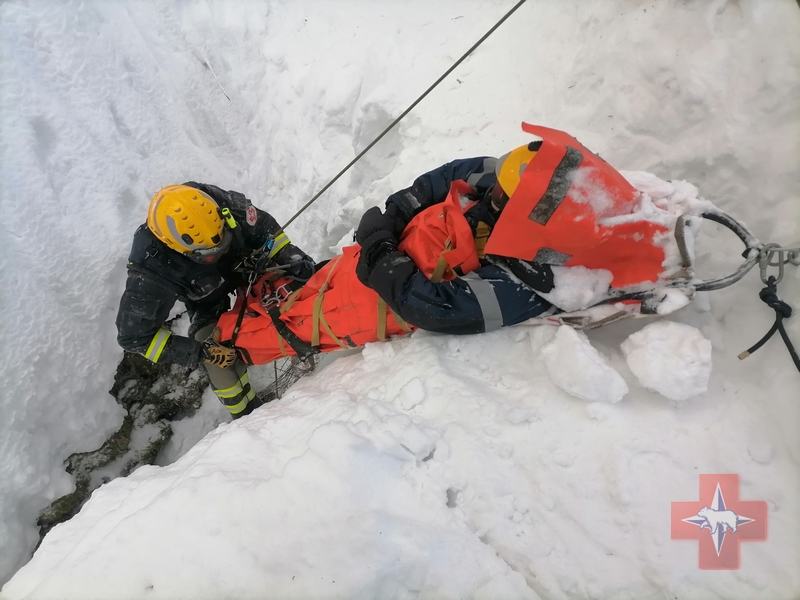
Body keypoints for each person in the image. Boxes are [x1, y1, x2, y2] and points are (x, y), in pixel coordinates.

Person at [116, 183, 315, 419]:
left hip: (249, 265)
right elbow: (133, 336)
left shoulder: (220, 204)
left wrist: (289, 257)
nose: (218, 251)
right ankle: (248, 417)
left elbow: (264, 228)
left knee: (301, 286)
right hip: (206, 299)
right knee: (221, 362)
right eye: (211, 253)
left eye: (223, 241)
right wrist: (201, 352)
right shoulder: (151, 267)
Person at [354, 142, 555, 335]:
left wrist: (380, 255)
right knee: (329, 275)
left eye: (501, 193)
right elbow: (440, 179)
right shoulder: (504, 174)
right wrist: (391, 220)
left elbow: (439, 309)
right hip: (394, 248)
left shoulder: (526, 282)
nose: (495, 185)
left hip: (377, 304)